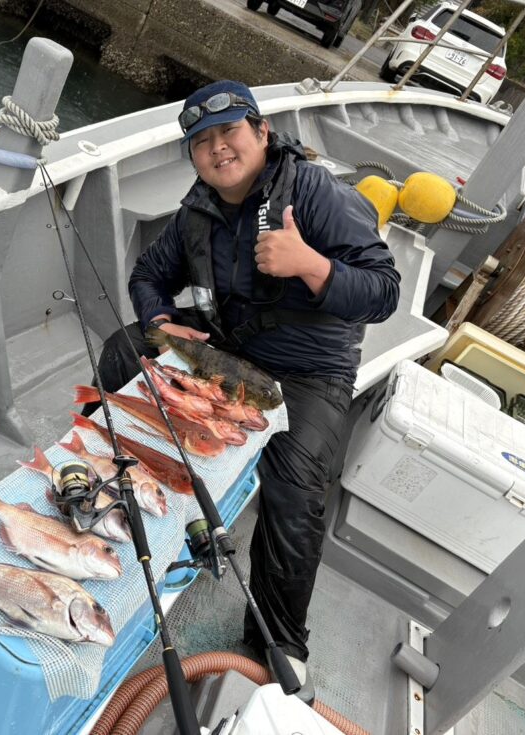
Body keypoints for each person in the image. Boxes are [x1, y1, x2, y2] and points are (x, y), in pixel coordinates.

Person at [91, 80, 400, 699]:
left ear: (261, 133)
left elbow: (383, 290)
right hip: (228, 345)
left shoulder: (316, 194)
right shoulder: (198, 209)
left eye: (229, 133)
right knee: (126, 347)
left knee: (294, 487)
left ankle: (278, 639)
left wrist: (310, 264)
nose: (217, 150)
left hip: (307, 371)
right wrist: (158, 322)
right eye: (201, 142)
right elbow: (149, 274)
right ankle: (132, 490)